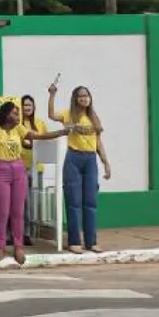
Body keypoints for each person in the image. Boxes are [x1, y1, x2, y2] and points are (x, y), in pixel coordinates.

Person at [0, 101, 68, 264]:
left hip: (18, 169)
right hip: (0, 169)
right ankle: (0, 246)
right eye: (15, 113)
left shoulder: (19, 129)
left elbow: (38, 136)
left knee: (18, 211)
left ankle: (18, 246)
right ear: (6, 113)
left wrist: (62, 132)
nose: (18, 116)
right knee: (3, 211)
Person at [49, 84, 111, 254]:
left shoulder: (93, 118)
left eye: (87, 95)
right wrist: (52, 95)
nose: (84, 98)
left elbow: (98, 142)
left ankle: (91, 242)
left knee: (90, 202)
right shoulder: (68, 114)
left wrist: (105, 162)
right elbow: (52, 115)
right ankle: (74, 241)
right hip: (73, 158)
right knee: (73, 202)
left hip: (90, 159)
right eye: (81, 96)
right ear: (75, 99)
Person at [19, 94, 46, 246]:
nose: (27, 108)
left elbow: (45, 139)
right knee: (24, 203)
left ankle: (33, 232)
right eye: (24, 106)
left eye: (29, 105)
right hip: (22, 168)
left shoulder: (40, 123)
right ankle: (25, 233)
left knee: (35, 203)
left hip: (38, 168)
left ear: (34, 107)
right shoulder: (18, 125)